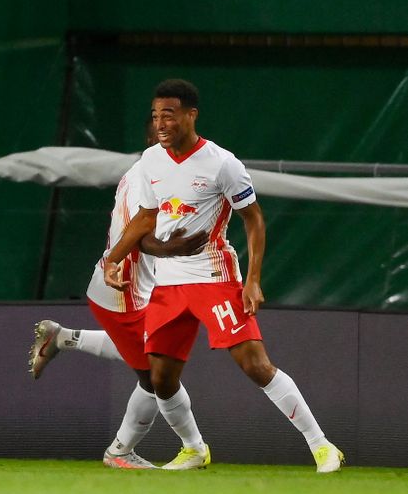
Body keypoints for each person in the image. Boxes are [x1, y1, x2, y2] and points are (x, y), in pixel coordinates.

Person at [103, 79, 343, 473]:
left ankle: (322, 446)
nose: (161, 123)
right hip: (167, 283)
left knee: (255, 364)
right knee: (159, 379)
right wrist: (113, 260)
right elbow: (146, 218)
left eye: (169, 114)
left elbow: (254, 220)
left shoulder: (222, 163)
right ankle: (194, 449)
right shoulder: (150, 161)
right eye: (155, 115)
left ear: (190, 115)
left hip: (214, 277)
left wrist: (252, 279)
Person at [29, 160, 209, 470]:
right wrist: (172, 248)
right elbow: (140, 236)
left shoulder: (145, 172)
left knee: (146, 354)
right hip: (122, 293)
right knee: (156, 378)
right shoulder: (146, 180)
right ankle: (128, 451)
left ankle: (64, 338)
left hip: (126, 287)